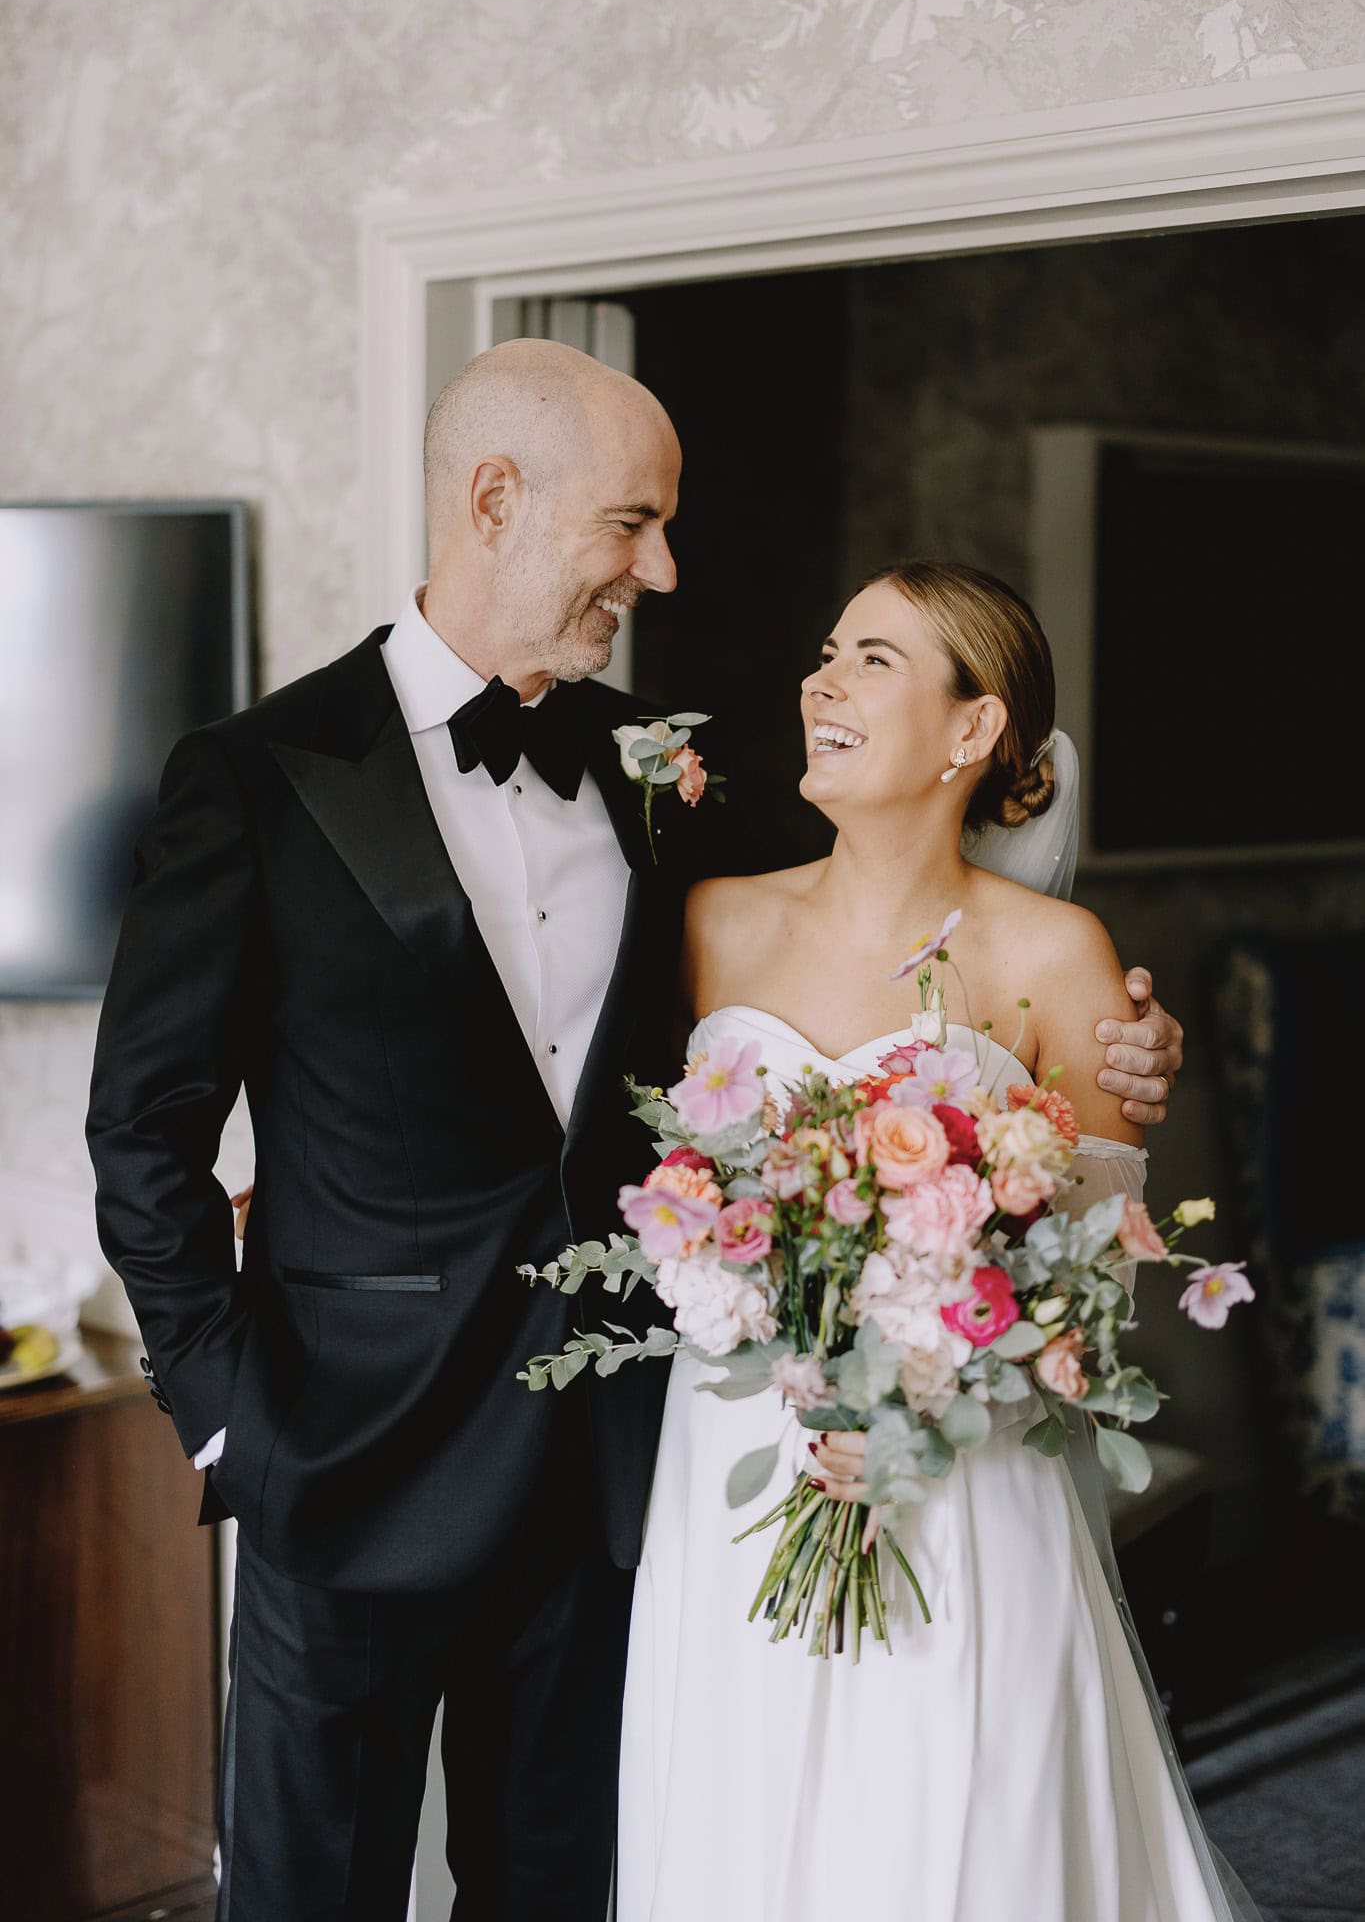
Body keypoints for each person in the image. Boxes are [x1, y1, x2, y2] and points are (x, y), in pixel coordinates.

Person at [86, 344, 1182, 1921]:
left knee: (562, 1887)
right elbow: (144, 1130)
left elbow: (874, 960)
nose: (659, 570)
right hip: (343, 1455)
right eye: (631, 525)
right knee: (307, 1892)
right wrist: (224, 1419)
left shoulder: (665, 784)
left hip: (613, 1481)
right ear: (493, 501)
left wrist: (1121, 1043)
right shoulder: (257, 777)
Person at [617, 562, 1258, 1922]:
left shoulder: (1059, 956)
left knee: (956, 1815)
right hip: (739, 1449)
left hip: (965, 1476)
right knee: (741, 1810)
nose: (819, 681)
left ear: (974, 731)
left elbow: (1090, 1284)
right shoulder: (707, 924)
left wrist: (918, 1391)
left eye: (872, 659)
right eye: (824, 651)